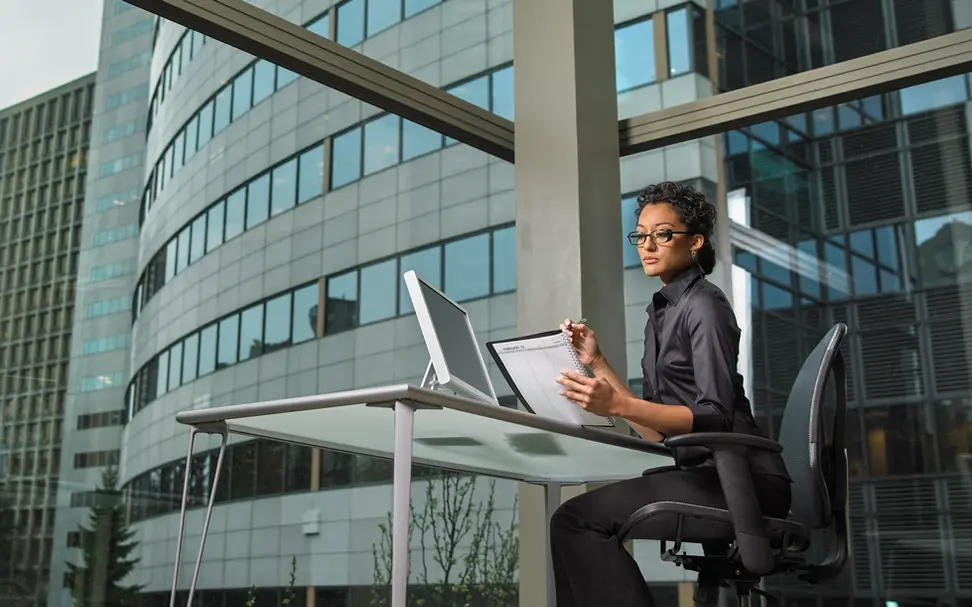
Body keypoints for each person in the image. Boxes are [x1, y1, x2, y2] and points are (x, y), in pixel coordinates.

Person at [550, 181, 792, 607]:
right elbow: (656, 434)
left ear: (694, 241)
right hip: (706, 474)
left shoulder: (705, 307)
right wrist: (599, 362)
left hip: (742, 482)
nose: (647, 245)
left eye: (662, 234)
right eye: (640, 235)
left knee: (577, 521)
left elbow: (714, 415)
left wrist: (618, 404)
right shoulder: (661, 313)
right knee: (572, 520)